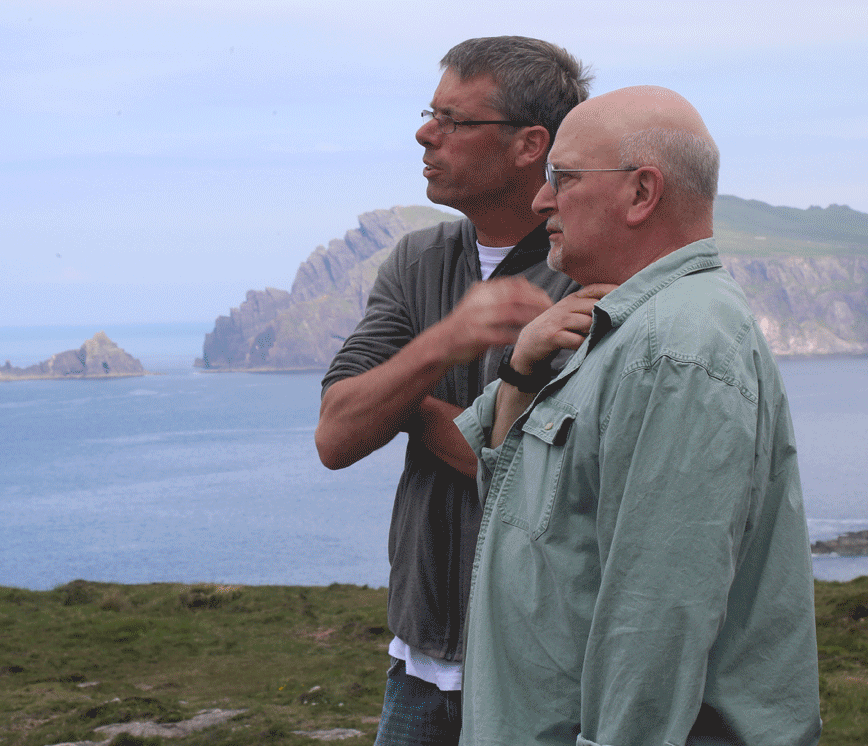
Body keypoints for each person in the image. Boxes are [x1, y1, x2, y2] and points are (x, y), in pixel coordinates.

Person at [455, 86, 822, 746]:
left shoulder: (674, 349)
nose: (542, 200)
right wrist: (517, 377)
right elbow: (519, 516)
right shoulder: (618, 329)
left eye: (560, 177)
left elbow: (653, 619)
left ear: (641, 193)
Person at [315, 37, 595, 745]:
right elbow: (337, 434)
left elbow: (546, 478)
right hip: (418, 659)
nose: (424, 133)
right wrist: (448, 339)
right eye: (428, 112)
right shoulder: (419, 259)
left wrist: (405, 405)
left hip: (544, 672)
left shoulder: (591, 273)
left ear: (531, 144)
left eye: (454, 120)